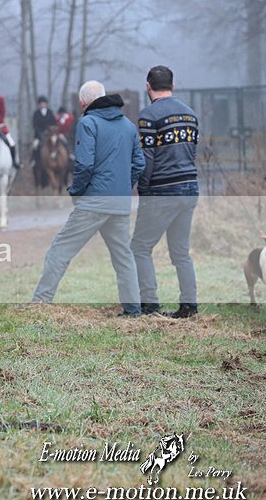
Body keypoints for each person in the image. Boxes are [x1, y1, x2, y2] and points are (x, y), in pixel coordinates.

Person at [32, 80, 145, 317]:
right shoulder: (128, 125)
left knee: (59, 251)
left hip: (94, 202)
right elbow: (139, 164)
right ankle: (134, 310)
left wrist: (76, 191)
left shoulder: (88, 123)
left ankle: (39, 305)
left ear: (83, 103)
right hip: (120, 203)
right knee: (124, 258)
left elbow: (84, 165)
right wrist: (124, 187)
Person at [131, 65, 199, 318]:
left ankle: (150, 305)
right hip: (190, 188)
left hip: (162, 190)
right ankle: (189, 306)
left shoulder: (148, 116)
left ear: (148, 86)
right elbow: (192, 152)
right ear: (173, 85)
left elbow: (146, 158)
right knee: (181, 251)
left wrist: (143, 189)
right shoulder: (191, 115)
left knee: (139, 247)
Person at [32, 95, 58, 165]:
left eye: (44, 103)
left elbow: (54, 123)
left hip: (50, 133)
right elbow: (35, 125)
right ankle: (34, 160)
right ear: (39, 104)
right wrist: (41, 133)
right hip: (39, 134)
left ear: (46, 104)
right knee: (35, 145)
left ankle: (68, 157)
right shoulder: (36, 113)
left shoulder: (50, 112)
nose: (43, 105)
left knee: (61, 141)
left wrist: (52, 130)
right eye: (41, 103)